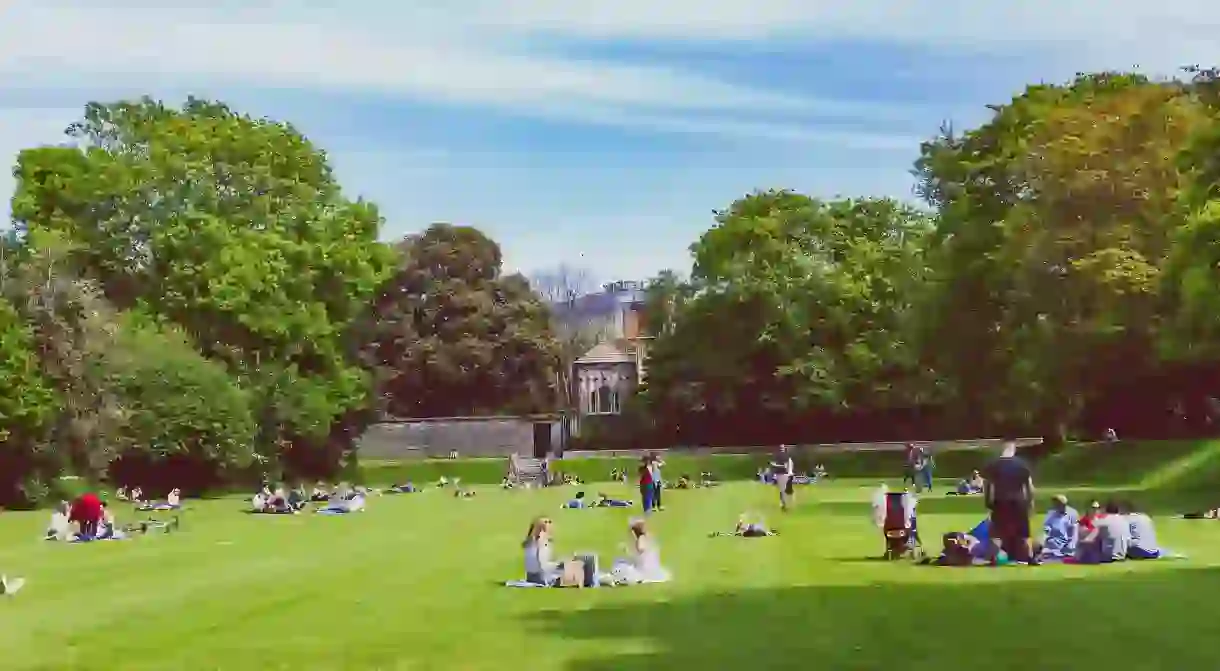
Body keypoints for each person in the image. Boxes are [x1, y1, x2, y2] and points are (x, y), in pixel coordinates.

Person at [981, 440, 1036, 564]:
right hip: (1019, 502)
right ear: (1014, 450)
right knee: (1024, 533)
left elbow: (988, 486)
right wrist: (1030, 503)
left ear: (1001, 449)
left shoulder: (993, 465)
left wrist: (988, 502)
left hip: (1000, 501)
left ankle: (993, 559)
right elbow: (1029, 487)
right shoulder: (1022, 464)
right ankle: (1031, 558)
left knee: (997, 533)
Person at [612, 519, 671, 584]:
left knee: (620, 563)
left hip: (644, 571)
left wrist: (626, 549)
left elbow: (638, 557)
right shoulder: (649, 538)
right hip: (654, 569)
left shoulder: (640, 540)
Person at [1038, 494, 1080, 559]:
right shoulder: (1051, 513)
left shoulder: (1072, 513)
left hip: (1066, 543)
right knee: (1040, 542)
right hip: (1053, 541)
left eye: (1059, 504)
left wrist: (1070, 546)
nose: (1056, 506)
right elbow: (1046, 528)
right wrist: (1045, 537)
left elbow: (1074, 533)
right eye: (1055, 504)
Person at [523, 517, 558, 585]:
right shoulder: (541, 542)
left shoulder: (530, 541)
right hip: (541, 577)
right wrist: (558, 565)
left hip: (530, 576)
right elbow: (542, 565)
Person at [771, 445, 795, 512]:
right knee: (783, 490)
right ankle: (783, 504)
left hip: (784, 474)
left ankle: (784, 505)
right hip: (782, 474)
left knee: (784, 490)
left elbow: (785, 466)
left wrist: (775, 465)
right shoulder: (780, 456)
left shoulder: (785, 457)